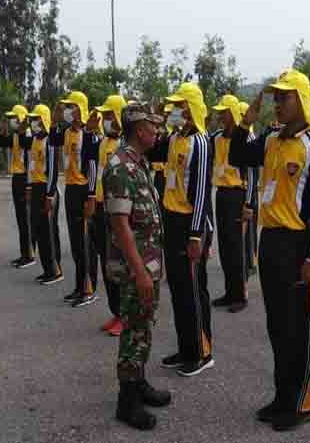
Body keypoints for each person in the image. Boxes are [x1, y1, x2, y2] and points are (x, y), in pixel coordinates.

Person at [229, 69, 310, 431]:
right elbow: (237, 154)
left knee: (301, 328)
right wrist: (247, 120)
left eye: (284, 97)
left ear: (300, 101)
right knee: (277, 327)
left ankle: (303, 402)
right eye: (275, 96)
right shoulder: (271, 140)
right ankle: (282, 395)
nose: (277, 102)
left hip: (299, 244)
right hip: (270, 241)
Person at [103, 103, 171, 431]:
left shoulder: (138, 163)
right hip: (134, 269)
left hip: (147, 263)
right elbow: (120, 225)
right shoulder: (119, 167)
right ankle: (127, 401)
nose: (157, 130)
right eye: (152, 125)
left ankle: (139, 382)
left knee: (143, 325)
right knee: (133, 330)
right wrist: (141, 271)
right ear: (137, 128)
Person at [157, 82, 215, 377]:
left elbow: (203, 192)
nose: (174, 111)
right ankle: (186, 347)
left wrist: (196, 235)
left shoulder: (201, 142)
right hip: (172, 218)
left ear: (190, 110)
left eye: (179, 107)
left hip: (192, 223)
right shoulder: (174, 139)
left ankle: (203, 352)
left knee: (194, 289)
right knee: (178, 289)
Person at [52, 91, 101, 307]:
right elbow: (52, 139)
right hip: (71, 189)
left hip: (83, 191)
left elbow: (92, 166)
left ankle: (89, 289)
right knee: (75, 243)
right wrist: (55, 120)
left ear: (80, 109)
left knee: (85, 242)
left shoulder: (90, 135)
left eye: (72, 107)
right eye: (67, 107)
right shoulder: (66, 132)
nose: (69, 111)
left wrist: (91, 196)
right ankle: (79, 286)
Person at [210, 94, 251, 313]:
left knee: (236, 247)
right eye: (219, 112)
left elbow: (252, 173)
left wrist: (249, 203)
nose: (220, 116)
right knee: (225, 245)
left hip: (237, 194)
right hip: (221, 193)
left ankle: (240, 295)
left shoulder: (243, 137)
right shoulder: (216, 138)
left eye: (224, 112)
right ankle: (229, 292)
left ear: (233, 114)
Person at [94, 95, 128, 336]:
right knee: (108, 263)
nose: (105, 120)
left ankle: (126, 315)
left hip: (117, 210)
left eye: (109, 115)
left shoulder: (126, 144)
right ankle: (116, 312)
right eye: (104, 116)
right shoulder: (104, 141)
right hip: (101, 207)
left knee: (121, 266)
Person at [21, 104, 63, 285]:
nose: (33, 123)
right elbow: (31, 166)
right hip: (36, 188)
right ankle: (47, 270)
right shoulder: (34, 141)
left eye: (36, 119)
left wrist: (50, 195)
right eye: (32, 120)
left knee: (49, 233)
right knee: (39, 230)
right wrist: (29, 187)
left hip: (47, 189)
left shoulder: (50, 142)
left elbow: (53, 170)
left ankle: (55, 271)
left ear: (44, 120)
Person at [0, 105, 35, 269]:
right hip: (16, 178)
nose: (11, 121)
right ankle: (24, 253)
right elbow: (2, 142)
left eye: (14, 118)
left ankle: (29, 255)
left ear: (21, 120)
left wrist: (28, 186)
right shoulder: (15, 136)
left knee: (26, 220)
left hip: (25, 179)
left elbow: (28, 157)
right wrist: (2, 130)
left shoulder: (27, 136)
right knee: (21, 219)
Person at [239, 101, 260, 283]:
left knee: (249, 231)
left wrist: (249, 200)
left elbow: (253, 175)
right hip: (244, 191)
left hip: (249, 192)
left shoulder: (251, 138)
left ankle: (251, 261)